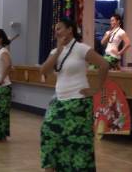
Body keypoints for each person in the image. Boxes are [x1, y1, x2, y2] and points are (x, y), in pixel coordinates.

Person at [40, 19, 109, 172]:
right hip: (59, 101)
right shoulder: (55, 52)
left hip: (79, 102)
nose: (56, 31)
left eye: (59, 28)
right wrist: (57, 51)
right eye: (55, 29)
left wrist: (96, 89)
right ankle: (52, 168)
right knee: (48, 131)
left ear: (70, 30)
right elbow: (43, 71)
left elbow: (104, 64)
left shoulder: (81, 49)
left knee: (78, 142)